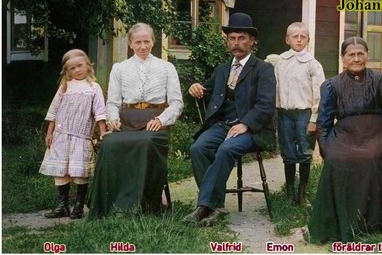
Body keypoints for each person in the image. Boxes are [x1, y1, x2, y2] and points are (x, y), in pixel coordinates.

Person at [308, 37, 382, 243]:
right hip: (346, 134)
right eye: (351, 55)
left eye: (360, 54)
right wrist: (327, 151)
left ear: (367, 56)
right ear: (343, 58)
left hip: (376, 134)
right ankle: (340, 223)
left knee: (369, 157)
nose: (356, 59)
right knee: (337, 159)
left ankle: (370, 222)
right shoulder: (331, 85)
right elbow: (323, 124)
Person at [185, 12, 276, 226]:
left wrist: (245, 124)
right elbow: (205, 91)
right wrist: (195, 88)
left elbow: (266, 104)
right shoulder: (222, 69)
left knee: (226, 149)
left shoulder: (263, 69)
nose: (236, 43)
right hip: (223, 126)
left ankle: (204, 206)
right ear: (227, 41)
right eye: (232, 38)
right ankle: (216, 206)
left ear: (252, 41)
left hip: (253, 129)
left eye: (241, 38)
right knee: (198, 149)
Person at [89, 23, 183, 218]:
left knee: (146, 141)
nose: (143, 46)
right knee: (108, 143)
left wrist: (161, 119)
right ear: (130, 44)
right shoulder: (119, 69)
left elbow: (176, 104)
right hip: (127, 122)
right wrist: (113, 119)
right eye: (138, 42)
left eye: (146, 41)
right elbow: (112, 103)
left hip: (155, 123)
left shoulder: (166, 68)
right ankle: (112, 204)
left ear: (153, 42)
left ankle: (143, 203)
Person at [40, 49, 107, 219]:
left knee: (79, 171)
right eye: (72, 68)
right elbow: (53, 111)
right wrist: (50, 133)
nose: (77, 70)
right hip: (61, 136)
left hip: (80, 137)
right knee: (61, 171)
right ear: (67, 71)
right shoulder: (65, 87)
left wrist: (103, 132)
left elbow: (100, 112)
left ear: (87, 65)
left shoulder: (94, 88)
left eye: (80, 65)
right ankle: (62, 206)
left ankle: (79, 206)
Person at [275, 22, 325, 206]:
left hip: (305, 114)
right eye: (294, 36)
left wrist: (314, 119)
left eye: (303, 37)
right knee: (288, 151)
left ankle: (302, 194)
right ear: (287, 39)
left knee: (305, 151)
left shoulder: (313, 64)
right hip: (284, 113)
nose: (298, 40)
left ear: (308, 40)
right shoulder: (280, 62)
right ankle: (289, 193)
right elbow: (275, 87)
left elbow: (319, 94)